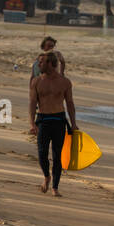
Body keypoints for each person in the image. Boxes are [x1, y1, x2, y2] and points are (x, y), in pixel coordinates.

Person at [28, 51, 76, 196]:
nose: (39, 65)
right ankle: (46, 177)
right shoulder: (36, 81)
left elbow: (70, 103)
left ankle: (55, 187)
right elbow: (32, 103)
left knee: (57, 155)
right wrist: (32, 123)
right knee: (42, 153)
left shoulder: (64, 82)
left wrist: (73, 124)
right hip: (43, 120)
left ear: (50, 64)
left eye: (41, 62)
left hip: (59, 121)